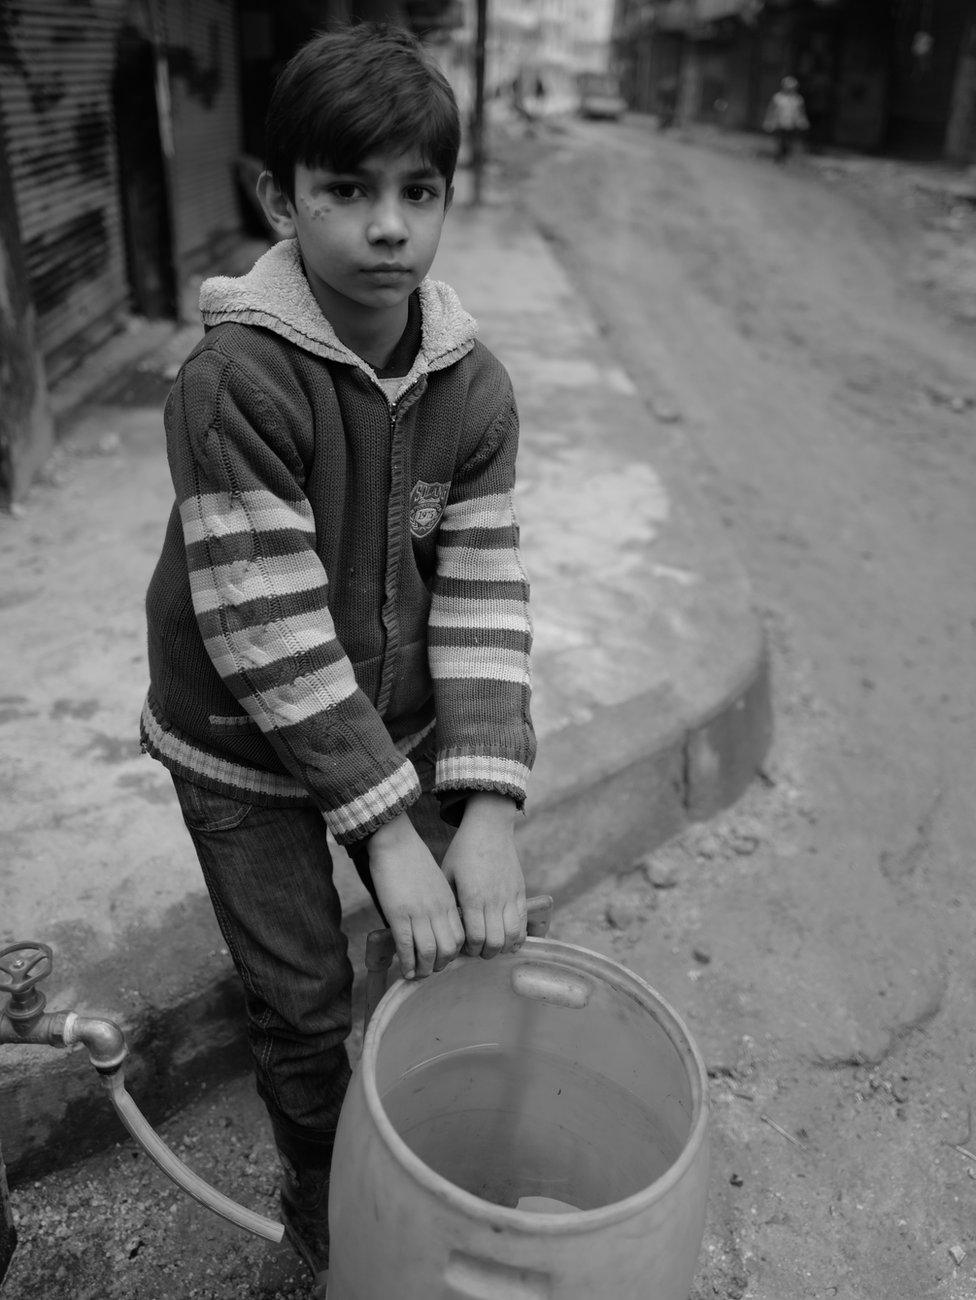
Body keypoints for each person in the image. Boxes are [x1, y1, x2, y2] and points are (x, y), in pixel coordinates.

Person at [139, 23, 535, 1295]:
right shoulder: (230, 386)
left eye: (418, 192)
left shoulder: (473, 390)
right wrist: (386, 830)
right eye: (346, 191)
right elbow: (269, 637)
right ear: (277, 196)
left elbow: (480, 587)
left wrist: (481, 804)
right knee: (303, 1004)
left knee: (443, 926)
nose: (387, 227)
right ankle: (322, 1208)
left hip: (394, 717)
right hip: (241, 740)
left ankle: (405, 1142)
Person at [763, 75, 809, 162]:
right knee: (780, 141)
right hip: (779, 123)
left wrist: (803, 121)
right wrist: (768, 121)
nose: (790, 89)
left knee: (789, 142)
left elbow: (801, 112)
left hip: (792, 124)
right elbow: (771, 110)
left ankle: (785, 157)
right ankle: (779, 159)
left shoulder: (798, 99)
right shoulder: (778, 97)